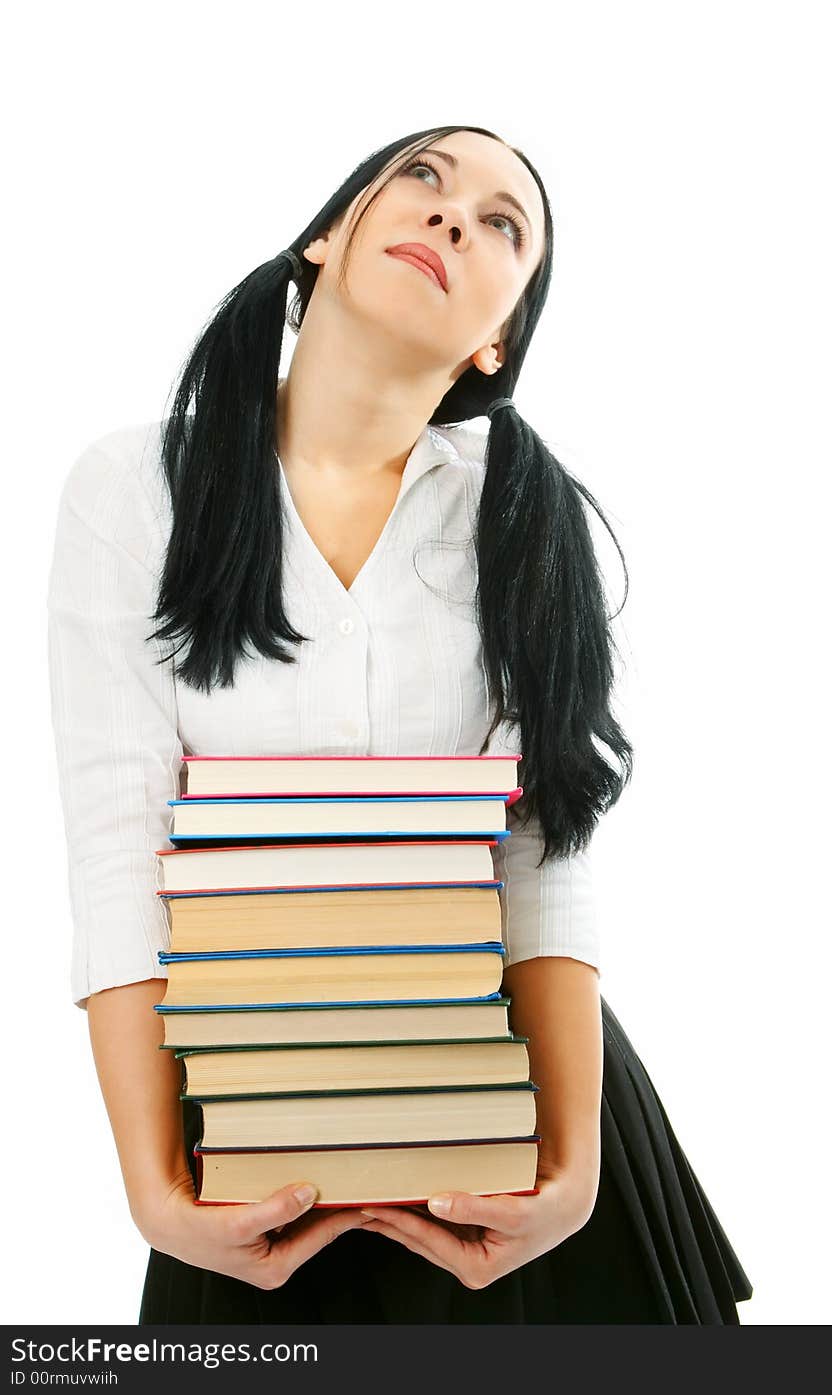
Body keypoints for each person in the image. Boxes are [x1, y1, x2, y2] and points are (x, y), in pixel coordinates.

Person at [47, 123, 753, 1323]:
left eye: (500, 224)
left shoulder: (525, 522)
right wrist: (153, 1185)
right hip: (256, 1124)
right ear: (326, 237)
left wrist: (571, 1173)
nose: (450, 217)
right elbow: (118, 848)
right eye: (422, 179)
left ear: (496, 340)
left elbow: (544, 851)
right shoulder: (134, 488)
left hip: (514, 1123)